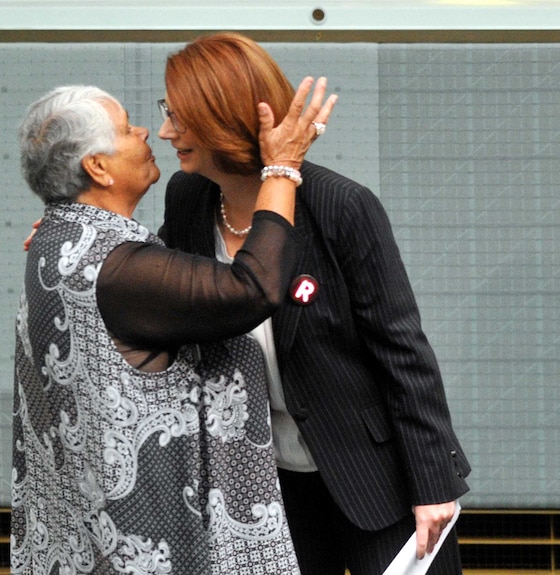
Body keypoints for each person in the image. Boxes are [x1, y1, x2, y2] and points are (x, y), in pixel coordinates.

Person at [157, 32, 471, 575]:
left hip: (376, 478)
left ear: (224, 117)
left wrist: (434, 484)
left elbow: (402, 350)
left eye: (180, 116)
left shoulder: (340, 207)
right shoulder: (188, 201)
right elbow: (154, 279)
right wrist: (81, 240)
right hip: (265, 486)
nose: (165, 131)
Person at [11, 81, 335, 575]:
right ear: (97, 167)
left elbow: (163, 279)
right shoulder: (114, 267)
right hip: (154, 543)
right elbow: (252, 290)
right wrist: (282, 169)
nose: (146, 132)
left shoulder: (61, 241)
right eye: (125, 129)